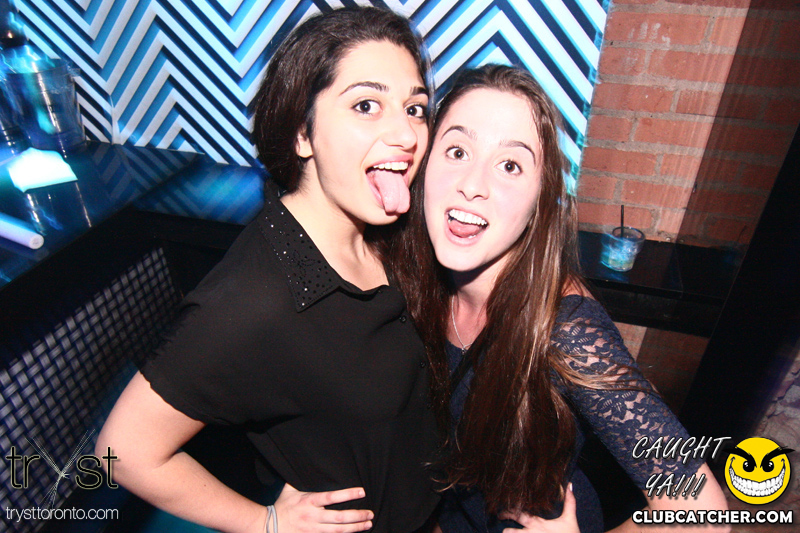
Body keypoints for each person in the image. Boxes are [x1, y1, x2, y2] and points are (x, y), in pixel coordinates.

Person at [97, 7, 439, 533]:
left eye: (415, 109)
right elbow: (122, 450)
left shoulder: (389, 234)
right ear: (303, 133)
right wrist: (267, 523)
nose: (406, 134)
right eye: (366, 105)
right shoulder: (255, 297)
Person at [391, 65, 730, 533]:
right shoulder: (414, 277)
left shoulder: (565, 327)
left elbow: (704, 513)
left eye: (510, 165)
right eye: (457, 151)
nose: (472, 185)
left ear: (541, 200)